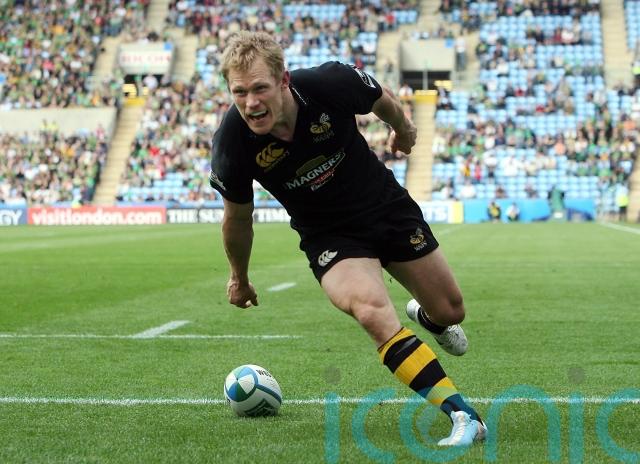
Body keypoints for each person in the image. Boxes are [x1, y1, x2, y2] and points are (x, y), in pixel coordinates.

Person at [209, 31, 486, 446]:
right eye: (240, 92)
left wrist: (403, 129)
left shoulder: (328, 83)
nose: (251, 103)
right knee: (372, 312)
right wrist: (239, 277)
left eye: (260, 88)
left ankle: (431, 318)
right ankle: (464, 416)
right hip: (328, 235)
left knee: (451, 309)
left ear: (283, 80)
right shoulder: (232, 141)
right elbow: (237, 219)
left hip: (384, 207)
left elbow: (381, 99)